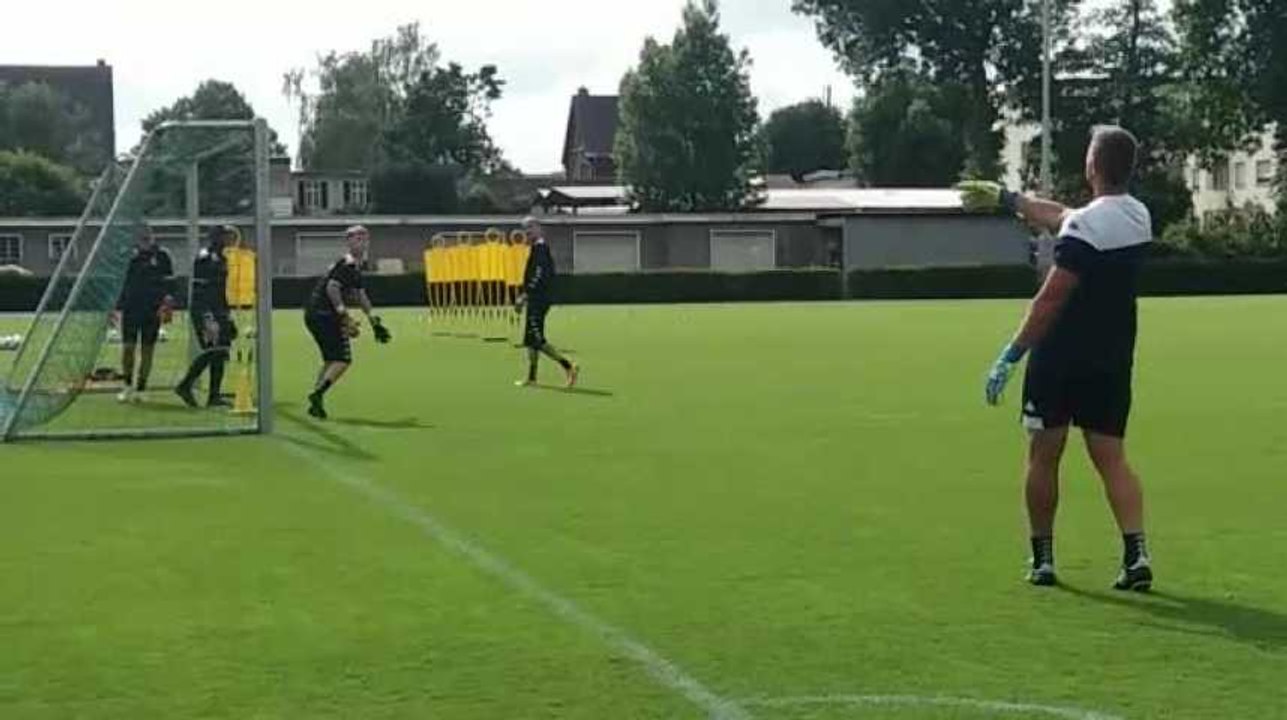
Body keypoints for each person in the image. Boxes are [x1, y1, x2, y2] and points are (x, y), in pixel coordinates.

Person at [959, 125, 1154, 592]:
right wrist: (1011, 200)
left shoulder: (1084, 226)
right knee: (1111, 457)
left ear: (1092, 166)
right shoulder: (1137, 216)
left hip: (1060, 358)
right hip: (1112, 357)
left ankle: (1043, 559)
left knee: (1043, 455)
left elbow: (1051, 298)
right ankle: (1137, 554)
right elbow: (1064, 215)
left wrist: (1011, 354)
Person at [304, 225, 391, 420]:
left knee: (330, 359)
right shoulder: (347, 264)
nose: (361, 241)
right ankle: (317, 394)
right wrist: (344, 315)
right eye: (356, 237)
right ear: (348, 241)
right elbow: (332, 288)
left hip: (316, 314)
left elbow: (360, 295)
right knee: (343, 359)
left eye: (364, 237)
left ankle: (316, 402)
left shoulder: (356, 267)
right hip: (324, 314)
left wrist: (373, 321)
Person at [175, 226, 237, 408]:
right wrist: (208, 317)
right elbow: (200, 291)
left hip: (218, 310)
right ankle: (185, 385)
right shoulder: (204, 258)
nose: (228, 239)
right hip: (205, 310)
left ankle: (214, 396)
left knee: (221, 350)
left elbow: (220, 290)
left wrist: (227, 314)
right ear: (215, 237)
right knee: (213, 349)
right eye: (225, 236)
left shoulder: (223, 258)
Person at [114, 225, 174, 402]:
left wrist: (168, 303)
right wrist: (115, 307)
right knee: (128, 348)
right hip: (131, 308)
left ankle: (141, 387)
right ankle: (127, 385)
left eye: (147, 235)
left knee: (148, 348)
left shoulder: (162, 255)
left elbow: (169, 282)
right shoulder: (127, 255)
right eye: (141, 236)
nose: (145, 238)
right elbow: (119, 282)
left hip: (153, 309)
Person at [515, 217, 577, 388]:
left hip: (539, 299)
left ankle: (569, 366)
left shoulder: (541, 249)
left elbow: (538, 275)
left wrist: (525, 295)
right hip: (536, 298)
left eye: (530, 228)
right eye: (525, 229)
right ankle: (532, 377)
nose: (527, 232)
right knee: (530, 339)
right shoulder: (535, 248)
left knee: (537, 339)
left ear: (538, 229)